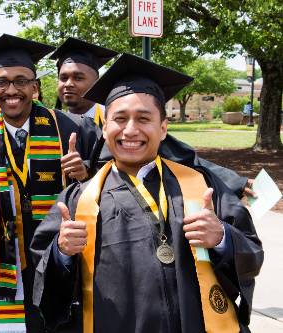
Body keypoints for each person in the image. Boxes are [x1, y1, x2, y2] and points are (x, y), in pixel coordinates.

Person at [31, 53, 264, 333]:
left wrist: (222, 238)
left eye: (144, 118)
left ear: (163, 128)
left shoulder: (203, 185)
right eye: (120, 118)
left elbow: (253, 255)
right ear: (105, 128)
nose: (131, 130)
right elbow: (44, 272)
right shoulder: (78, 200)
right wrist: (62, 251)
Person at [0, 34, 99, 333]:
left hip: (62, 256)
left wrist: (86, 177)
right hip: (8, 265)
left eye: (21, 81)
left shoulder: (73, 129)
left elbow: (108, 188)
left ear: (35, 86)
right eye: (2, 82)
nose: (11, 90)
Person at [50, 37, 117, 128]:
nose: (68, 84)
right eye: (64, 78)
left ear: (96, 82)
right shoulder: (52, 125)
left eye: (78, 78)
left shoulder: (113, 121)